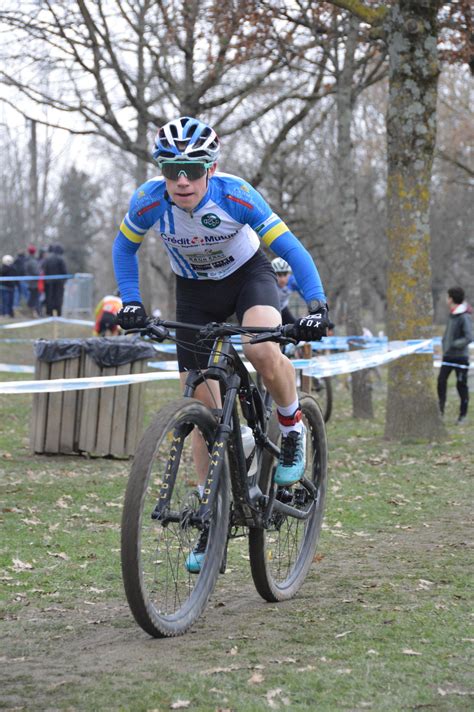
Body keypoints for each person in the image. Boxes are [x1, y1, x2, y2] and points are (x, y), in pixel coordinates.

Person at [113, 116, 330, 571]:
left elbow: (291, 250)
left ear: (211, 168)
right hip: (193, 293)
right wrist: (130, 302)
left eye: (193, 169)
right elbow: (122, 248)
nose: (183, 180)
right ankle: (209, 513)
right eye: (172, 170)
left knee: (259, 348)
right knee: (199, 411)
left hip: (248, 279)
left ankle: (291, 428)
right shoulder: (149, 201)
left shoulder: (235, 195)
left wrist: (317, 305)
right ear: (162, 171)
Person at [437, 286, 472, 424]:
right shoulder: (452, 315)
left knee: (461, 385)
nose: (446, 299)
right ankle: (440, 412)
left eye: (447, 297)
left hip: (460, 358)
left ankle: (463, 416)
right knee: (440, 382)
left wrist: (453, 344)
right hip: (448, 357)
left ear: (451, 298)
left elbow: (469, 337)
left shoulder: (464, 316)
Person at [271, 257, 303, 324]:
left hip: (283, 309)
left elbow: (305, 294)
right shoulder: (269, 282)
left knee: (295, 328)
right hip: (269, 310)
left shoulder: (293, 282)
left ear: (289, 273)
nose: (282, 279)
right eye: (279, 275)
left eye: (285, 274)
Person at [43, 244, 68, 316]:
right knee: (58, 298)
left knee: (49, 298)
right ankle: (58, 313)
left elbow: (45, 270)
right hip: (59, 283)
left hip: (48, 283)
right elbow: (64, 271)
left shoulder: (47, 259)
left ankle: (49, 313)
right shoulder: (61, 259)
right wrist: (64, 280)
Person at [24, 245, 41, 317]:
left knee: (32, 298)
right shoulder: (33, 261)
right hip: (34, 283)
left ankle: (32, 311)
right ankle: (35, 312)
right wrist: (40, 273)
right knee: (35, 298)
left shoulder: (27, 261)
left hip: (29, 282)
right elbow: (36, 272)